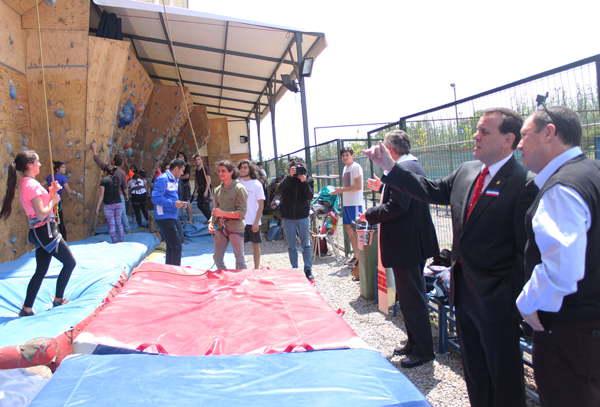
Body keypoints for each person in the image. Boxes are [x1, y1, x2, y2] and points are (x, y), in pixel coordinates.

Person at [364, 108, 538, 407]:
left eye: (485, 131)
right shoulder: (468, 171)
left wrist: (507, 298)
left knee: (505, 381)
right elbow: (430, 190)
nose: (475, 135)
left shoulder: (525, 183)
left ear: (509, 139)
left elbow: (527, 254)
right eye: (477, 129)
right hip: (464, 296)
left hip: (498, 303)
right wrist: (390, 167)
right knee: (476, 375)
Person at [516, 106, 600, 407]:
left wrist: (526, 303)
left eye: (525, 135)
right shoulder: (592, 172)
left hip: (569, 334)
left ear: (549, 132)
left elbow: (562, 269)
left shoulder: (562, 188)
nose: (519, 144)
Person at [360, 130, 439, 368]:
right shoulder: (410, 167)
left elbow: (398, 206)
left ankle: (424, 350)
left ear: (392, 151)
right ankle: (414, 343)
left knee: (412, 297)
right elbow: (400, 197)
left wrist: (369, 214)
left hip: (408, 244)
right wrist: (381, 187)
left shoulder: (404, 169)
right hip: (413, 242)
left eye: (384, 149)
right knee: (408, 296)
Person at [0, 151, 76, 317]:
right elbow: (41, 214)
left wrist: (50, 194)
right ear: (30, 165)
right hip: (45, 231)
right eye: (38, 161)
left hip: (38, 232)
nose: (40, 164)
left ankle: (27, 308)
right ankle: (59, 299)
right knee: (70, 263)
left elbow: (38, 208)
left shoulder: (26, 183)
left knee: (41, 270)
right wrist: (54, 200)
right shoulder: (31, 185)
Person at [278, 157, 315, 280]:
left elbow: (310, 196)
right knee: (291, 245)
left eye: (299, 166)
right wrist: (289, 177)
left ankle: (308, 269)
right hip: (288, 216)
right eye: (294, 167)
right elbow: (279, 190)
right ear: (291, 168)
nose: (297, 170)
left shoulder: (308, 179)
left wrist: (304, 182)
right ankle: (295, 269)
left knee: (306, 244)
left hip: (303, 216)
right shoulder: (287, 179)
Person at [208, 160, 248, 270]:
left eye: (223, 171)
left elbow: (241, 213)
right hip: (222, 228)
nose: (220, 173)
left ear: (231, 172)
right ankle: (226, 280)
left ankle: (245, 284)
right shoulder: (217, 190)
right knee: (217, 258)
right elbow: (215, 210)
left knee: (239, 259)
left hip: (236, 228)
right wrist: (211, 222)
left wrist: (223, 213)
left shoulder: (240, 189)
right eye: (219, 171)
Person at [152, 158, 188, 266]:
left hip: (172, 215)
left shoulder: (175, 180)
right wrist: (173, 203)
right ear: (176, 168)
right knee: (177, 245)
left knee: (171, 245)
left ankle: (170, 269)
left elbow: (171, 197)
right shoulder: (163, 179)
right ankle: (175, 271)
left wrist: (179, 203)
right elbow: (155, 198)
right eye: (182, 170)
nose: (182, 173)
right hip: (164, 216)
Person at [330, 148, 363, 265]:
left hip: (355, 203)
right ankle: (356, 255)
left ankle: (361, 257)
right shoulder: (345, 168)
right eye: (343, 155)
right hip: (347, 203)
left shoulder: (356, 167)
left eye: (347, 155)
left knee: (356, 230)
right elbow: (346, 187)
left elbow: (358, 186)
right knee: (349, 229)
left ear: (352, 156)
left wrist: (341, 190)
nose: (345, 157)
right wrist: (337, 191)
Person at [91, 141, 131, 234]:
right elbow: (124, 186)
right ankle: (127, 230)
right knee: (122, 214)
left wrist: (94, 148)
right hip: (119, 195)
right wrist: (126, 195)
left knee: (110, 215)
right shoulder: (122, 173)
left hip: (109, 196)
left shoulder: (107, 168)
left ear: (113, 161)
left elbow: (97, 160)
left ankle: (112, 232)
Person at [41, 160, 78, 241]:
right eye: (63, 167)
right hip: (56, 203)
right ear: (57, 169)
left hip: (48, 202)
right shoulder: (63, 178)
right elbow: (68, 190)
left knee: (49, 222)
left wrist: (46, 194)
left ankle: (49, 240)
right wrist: (73, 192)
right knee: (60, 222)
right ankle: (64, 241)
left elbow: (40, 186)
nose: (64, 169)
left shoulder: (49, 177)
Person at [238, 159, 265, 269]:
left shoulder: (256, 184)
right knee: (239, 247)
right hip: (240, 222)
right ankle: (239, 270)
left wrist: (256, 222)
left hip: (253, 221)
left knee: (255, 245)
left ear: (250, 169)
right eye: (241, 167)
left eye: (245, 167)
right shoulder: (237, 183)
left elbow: (261, 205)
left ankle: (256, 269)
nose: (242, 169)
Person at [96, 165, 126, 243]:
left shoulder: (103, 180)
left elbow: (101, 194)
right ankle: (121, 240)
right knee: (119, 223)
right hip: (118, 202)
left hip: (108, 204)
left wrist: (98, 206)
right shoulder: (117, 179)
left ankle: (114, 241)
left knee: (111, 223)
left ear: (105, 172)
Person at [193, 154, 212, 222]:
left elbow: (208, 179)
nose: (197, 161)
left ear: (201, 160)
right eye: (196, 160)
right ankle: (209, 218)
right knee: (200, 205)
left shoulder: (205, 169)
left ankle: (211, 220)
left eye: (199, 159)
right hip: (200, 189)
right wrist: (195, 191)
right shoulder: (196, 171)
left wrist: (206, 191)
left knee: (205, 205)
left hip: (205, 188)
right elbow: (197, 182)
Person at [177, 152, 193, 223]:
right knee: (182, 202)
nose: (180, 157)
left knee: (187, 202)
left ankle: (190, 220)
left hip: (185, 185)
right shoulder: (177, 167)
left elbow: (187, 176)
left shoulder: (186, 166)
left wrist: (178, 177)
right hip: (180, 186)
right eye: (179, 156)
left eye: (182, 156)